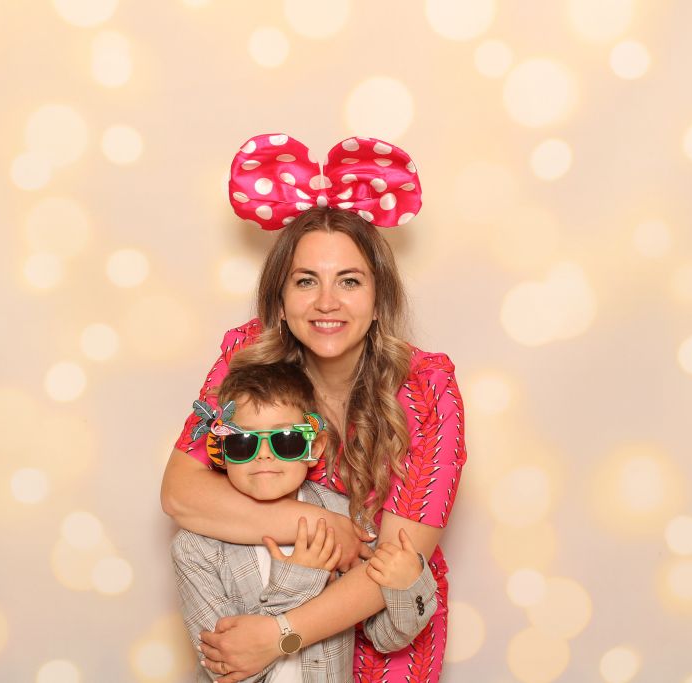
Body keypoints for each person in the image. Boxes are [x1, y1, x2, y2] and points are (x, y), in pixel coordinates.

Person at [161, 133, 467, 682]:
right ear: (280, 300)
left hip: (384, 630)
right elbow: (181, 493)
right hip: (256, 608)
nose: (327, 302)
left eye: (349, 281)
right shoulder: (244, 357)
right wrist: (324, 523)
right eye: (306, 281)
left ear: (379, 299)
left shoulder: (428, 389)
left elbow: (400, 558)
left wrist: (280, 637)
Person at [171, 361, 437, 682]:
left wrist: (408, 585)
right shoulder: (194, 547)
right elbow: (227, 669)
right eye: (244, 442)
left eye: (286, 440)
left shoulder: (347, 523)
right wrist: (298, 581)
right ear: (221, 451)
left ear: (314, 447)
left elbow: (386, 638)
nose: (264, 454)